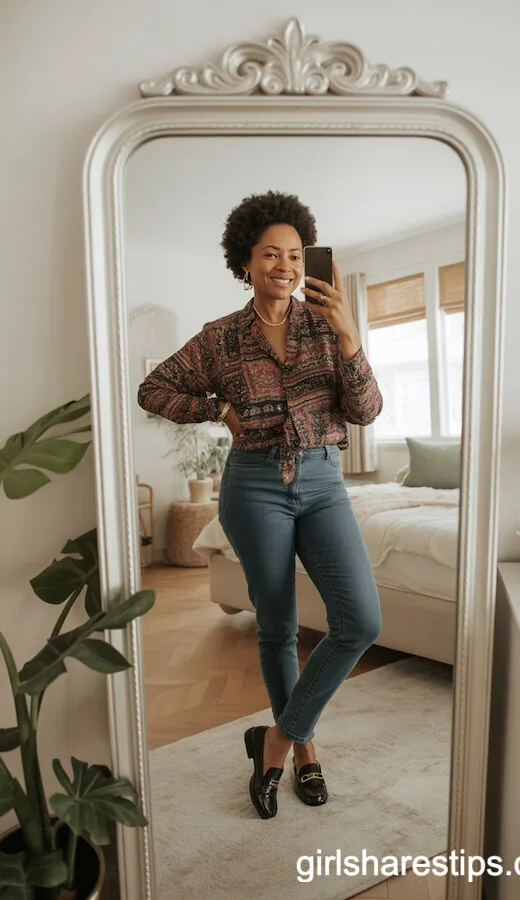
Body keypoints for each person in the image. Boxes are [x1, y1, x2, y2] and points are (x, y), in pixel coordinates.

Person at [138, 190, 384, 819]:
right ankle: (304, 752)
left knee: (359, 621)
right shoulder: (219, 338)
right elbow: (153, 388)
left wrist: (350, 334)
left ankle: (275, 738)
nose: (286, 264)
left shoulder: (326, 327)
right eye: (270, 253)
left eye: (295, 254)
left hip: (325, 481)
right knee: (275, 624)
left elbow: (365, 412)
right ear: (244, 262)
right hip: (253, 485)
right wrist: (216, 408)